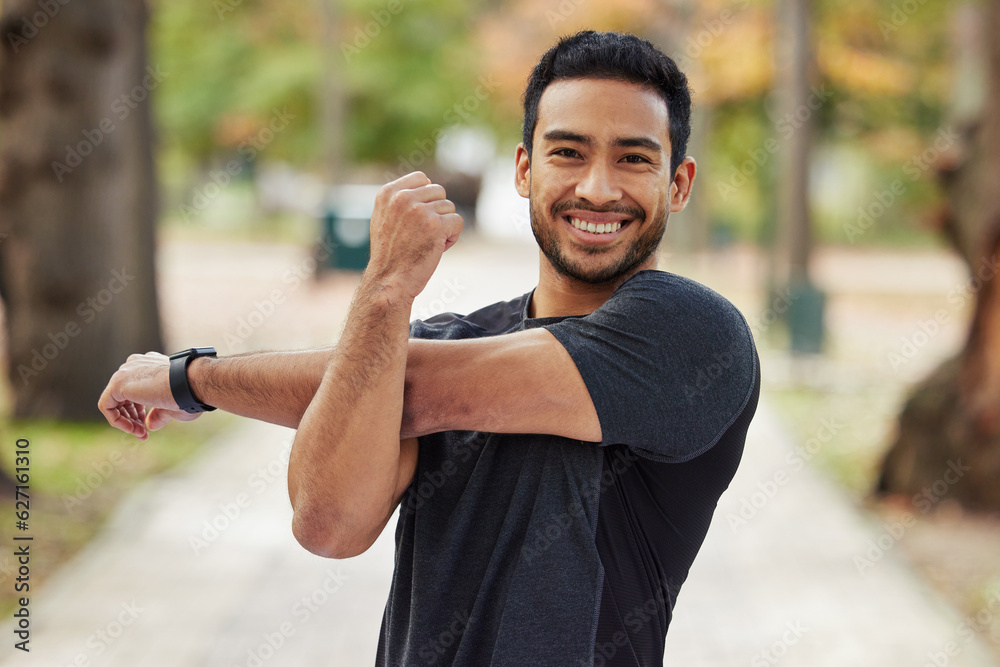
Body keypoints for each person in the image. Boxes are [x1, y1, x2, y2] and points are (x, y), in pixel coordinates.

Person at [99, 30, 759, 667]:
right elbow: (327, 524)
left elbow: (415, 386)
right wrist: (386, 286)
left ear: (678, 183)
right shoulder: (441, 341)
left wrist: (191, 378)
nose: (596, 188)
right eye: (568, 152)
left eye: (634, 158)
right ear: (524, 170)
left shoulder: (694, 334)